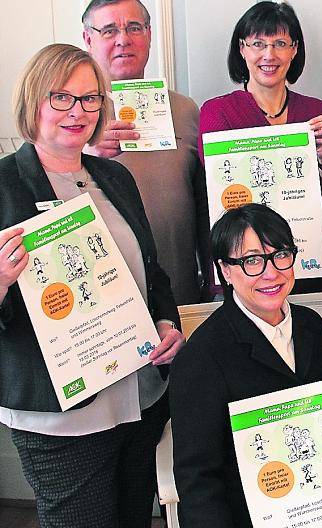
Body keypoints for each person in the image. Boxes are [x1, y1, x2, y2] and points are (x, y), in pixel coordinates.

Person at [0, 43, 184, 527]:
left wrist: (166, 322)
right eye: (61, 97)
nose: (77, 111)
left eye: (89, 98)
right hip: (62, 415)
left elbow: (152, 270)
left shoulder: (114, 176)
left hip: (138, 396)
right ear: (33, 100)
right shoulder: (4, 184)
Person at [169, 204, 322, 527]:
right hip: (254, 513)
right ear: (225, 270)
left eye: (280, 255)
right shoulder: (201, 357)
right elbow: (197, 479)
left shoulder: (310, 325)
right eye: (252, 261)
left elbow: (321, 422)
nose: (271, 273)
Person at [199, 1, 322, 294]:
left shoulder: (316, 112)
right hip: (245, 270)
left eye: (280, 43)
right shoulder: (218, 113)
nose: (269, 55)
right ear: (242, 49)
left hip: (305, 263)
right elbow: (219, 193)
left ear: (294, 49)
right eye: (258, 44)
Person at [82, 0, 211, 304]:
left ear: (150, 34)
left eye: (134, 28)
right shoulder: (72, 116)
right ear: (88, 39)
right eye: (109, 30)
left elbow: (204, 205)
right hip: (106, 303)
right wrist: (84, 153)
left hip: (183, 294)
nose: (123, 39)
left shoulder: (185, 110)